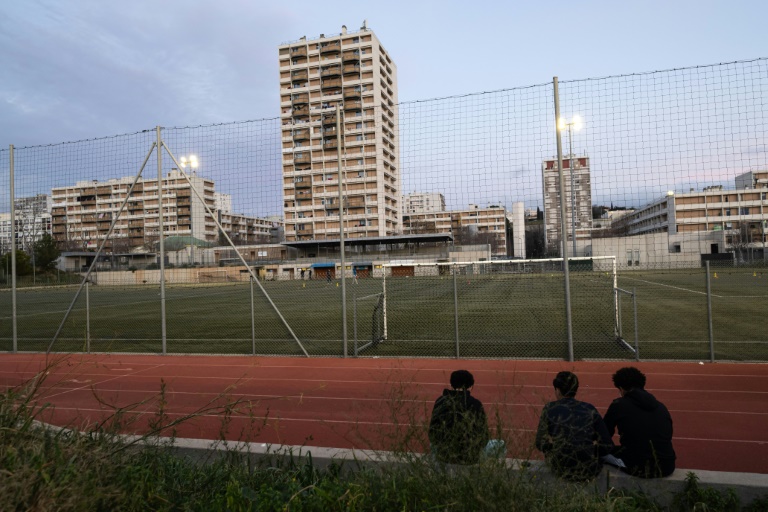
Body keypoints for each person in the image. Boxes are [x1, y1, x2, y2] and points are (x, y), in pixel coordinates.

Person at [535, 371, 613, 481]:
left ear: (557, 390)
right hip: (588, 469)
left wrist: (553, 447)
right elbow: (607, 444)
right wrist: (589, 449)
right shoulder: (589, 408)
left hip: (560, 467)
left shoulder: (549, 408)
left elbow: (540, 443)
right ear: (575, 389)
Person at [603, 367, 676, 478]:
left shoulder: (619, 405)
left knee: (600, 453)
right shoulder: (661, 407)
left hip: (638, 466)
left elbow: (604, 435)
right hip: (667, 466)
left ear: (621, 389)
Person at [429, 370, 490, 465]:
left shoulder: (440, 401)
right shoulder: (475, 404)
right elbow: (483, 435)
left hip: (444, 454)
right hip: (469, 457)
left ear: (452, 385)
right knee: (499, 444)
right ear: (470, 386)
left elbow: (433, 433)